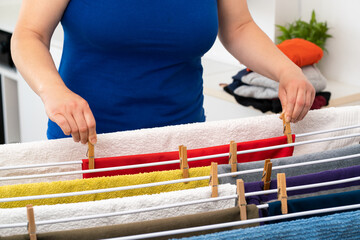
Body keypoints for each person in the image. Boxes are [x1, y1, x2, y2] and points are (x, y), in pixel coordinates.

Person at [11, 0, 315, 146]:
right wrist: (54, 91)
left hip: (181, 147)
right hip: (85, 145)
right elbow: (29, 34)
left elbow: (238, 28)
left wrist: (286, 70)